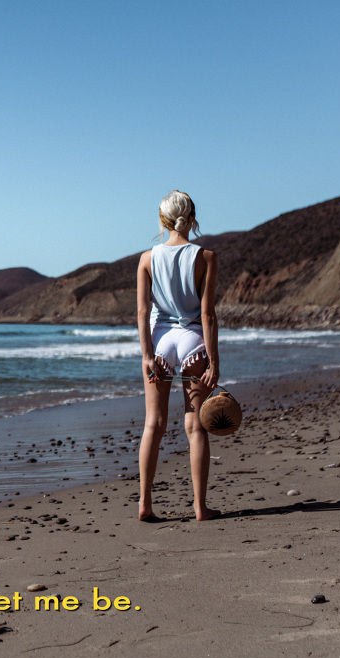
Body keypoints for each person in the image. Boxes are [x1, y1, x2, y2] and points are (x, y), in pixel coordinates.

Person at [135, 190, 220, 522]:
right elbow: (208, 314)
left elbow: (142, 312)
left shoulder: (147, 259)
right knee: (195, 426)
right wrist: (214, 360)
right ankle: (200, 507)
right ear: (193, 217)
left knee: (153, 424)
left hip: (159, 342)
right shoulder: (206, 257)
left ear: (162, 220)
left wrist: (146, 354)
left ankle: (145, 504)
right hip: (193, 341)